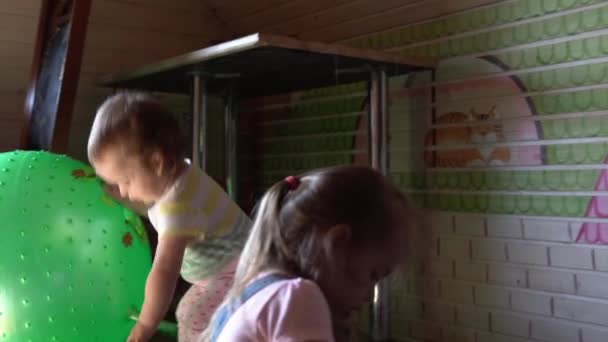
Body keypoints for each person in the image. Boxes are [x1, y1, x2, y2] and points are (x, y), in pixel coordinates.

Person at [87, 92, 250, 342]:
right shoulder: (176, 174)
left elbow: (164, 270)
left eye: (126, 181)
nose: (123, 191)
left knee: (195, 318)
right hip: (229, 267)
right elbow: (155, 209)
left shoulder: (178, 207)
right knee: (188, 312)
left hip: (241, 271)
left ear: (157, 162)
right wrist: (121, 198)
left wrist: (145, 325)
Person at [201, 166, 412, 341]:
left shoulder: (255, 293)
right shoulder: (297, 296)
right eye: (372, 275)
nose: (369, 295)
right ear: (337, 245)